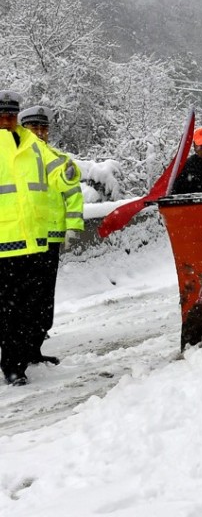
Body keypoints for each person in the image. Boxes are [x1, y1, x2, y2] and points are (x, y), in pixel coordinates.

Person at [0, 91, 76, 386]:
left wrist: (68, 173)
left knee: (27, 307)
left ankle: (18, 361)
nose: (7, 121)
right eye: (2, 116)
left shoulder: (33, 145)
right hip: (4, 243)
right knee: (9, 308)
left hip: (33, 241)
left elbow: (59, 170)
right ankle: (12, 364)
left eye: (11, 115)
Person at [18, 105, 83, 366]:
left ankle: (33, 348)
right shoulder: (15, 160)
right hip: (22, 241)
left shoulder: (57, 158)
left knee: (43, 301)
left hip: (51, 240)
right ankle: (17, 354)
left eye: (43, 127)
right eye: (34, 127)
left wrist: (73, 227)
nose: (40, 132)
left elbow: (73, 195)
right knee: (21, 299)